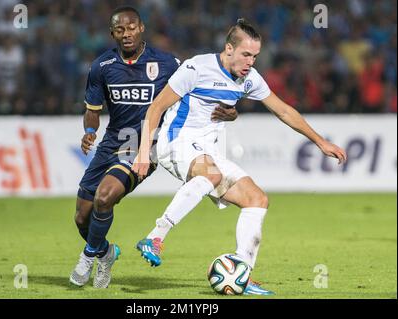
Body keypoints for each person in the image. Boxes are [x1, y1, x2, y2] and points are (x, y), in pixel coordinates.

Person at [132, 19, 347, 295]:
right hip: (176, 142)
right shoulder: (196, 68)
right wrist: (141, 152)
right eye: (246, 54)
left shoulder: (249, 79)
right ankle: (155, 237)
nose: (250, 62)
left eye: (255, 56)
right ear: (228, 48)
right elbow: (156, 108)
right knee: (212, 175)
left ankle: (242, 274)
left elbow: (283, 110)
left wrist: (320, 141)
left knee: (257, 199)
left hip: (208, 150)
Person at [69, 7, 238, 288]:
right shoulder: (101, 66)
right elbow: (92, 109)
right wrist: (89, 130)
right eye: (120, 30)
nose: (127, 34)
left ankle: (88, 257)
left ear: (141, 28)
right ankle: (105, 252)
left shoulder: (167, 63)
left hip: (144, 146)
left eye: (132, 27)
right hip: (111, 142)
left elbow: (200, 87)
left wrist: (230, 110)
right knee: (82, 217)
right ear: (112, 33)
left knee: (104, 197)